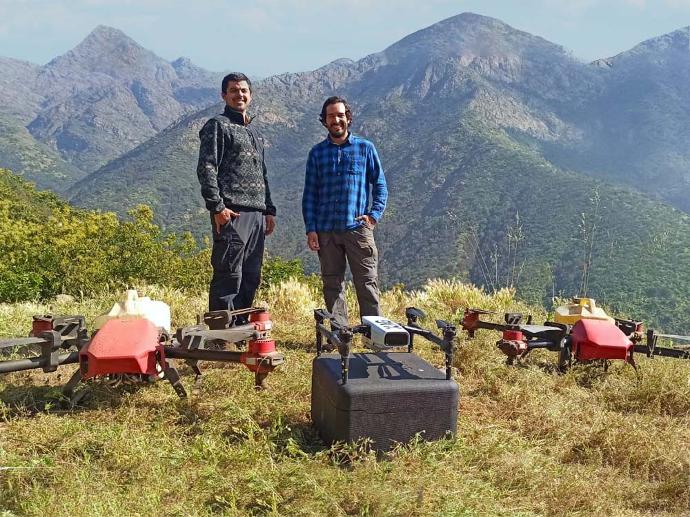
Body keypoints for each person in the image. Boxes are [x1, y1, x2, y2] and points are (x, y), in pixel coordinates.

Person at [302, 96, 388, 326]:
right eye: (331, 116)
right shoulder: (317, 153)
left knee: (367, 282)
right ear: (325, 121)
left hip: (357, 229)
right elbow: (310, 193)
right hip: (326, 230)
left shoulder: (365, 148)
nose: (336, 120)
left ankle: (374, 334)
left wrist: (373, 215)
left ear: (348, 118)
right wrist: (311, 228)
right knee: (332, 283)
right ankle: (339, 333)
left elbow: (380, 184)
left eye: (340, 115)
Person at [196, 72, 276, 314]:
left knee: (251, 275)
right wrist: (217, 207)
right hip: (233, 213)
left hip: (257, 216)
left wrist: (269, 210)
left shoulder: (254, 133)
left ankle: (240, 330)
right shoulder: (217, 126)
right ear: (224, 95)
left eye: (243, 90)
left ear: (250, 96)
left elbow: (262, 174)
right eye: (233, 90)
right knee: (229, 273)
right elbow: (206, 167)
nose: (239, 94)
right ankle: (220, 335)